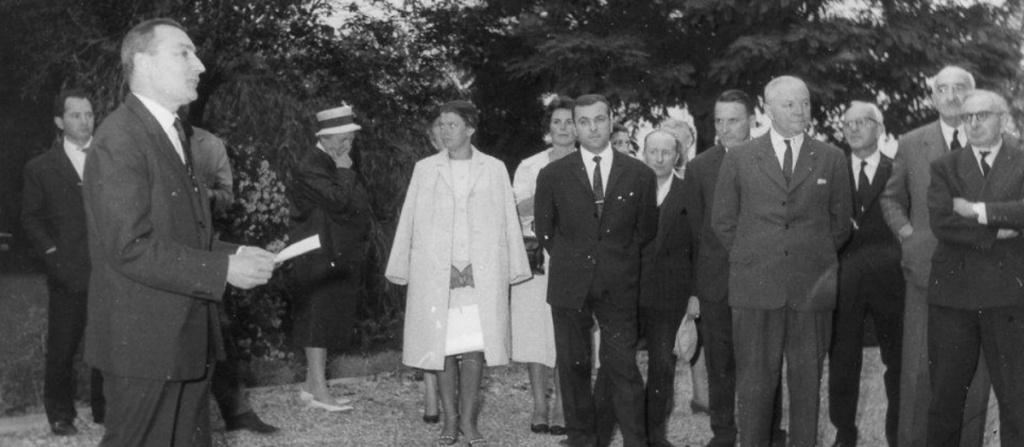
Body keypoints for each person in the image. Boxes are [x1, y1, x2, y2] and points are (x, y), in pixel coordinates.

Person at [82, 18, 275, 446]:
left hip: (183, 341)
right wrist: (222, 271)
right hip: (145, 347)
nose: (200, 65)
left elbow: (181, 236)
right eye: (183, 52)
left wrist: (239, 253)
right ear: (143, 63)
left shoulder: (173, 135)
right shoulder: (120, 138)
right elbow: (130, 247)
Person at [711, 76, 853, 447]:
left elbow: (840, 225)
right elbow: (723, 222)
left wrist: (808, 261)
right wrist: (756, 259)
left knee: (807, 389)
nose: (800, 111)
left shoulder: (831, 158)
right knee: (755, 389)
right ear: (768, 108)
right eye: (789, 104)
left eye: (805, 103)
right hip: (755, 290)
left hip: (812, 291)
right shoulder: (740, 157)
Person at [386, 100, 531, 446]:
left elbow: (508, 221)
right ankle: (449, 418)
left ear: (470, 129)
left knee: (475, 347)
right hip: (438, 271)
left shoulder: (494, 168)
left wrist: (509, 268)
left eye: (452, 125)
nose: (445, 131)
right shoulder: (425, 169)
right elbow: (410, 220)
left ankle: (468, 419)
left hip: (481, 270)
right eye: (441, 125)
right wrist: (407, 266)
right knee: (443, 345)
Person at [534, 93, 658, 447]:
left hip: (619, 283)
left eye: (599, 120)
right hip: (569, 284)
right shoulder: (554, 174)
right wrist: (575, 258)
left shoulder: (639, 174)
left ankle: (637, 441)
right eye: (584, 121)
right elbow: (545, 230)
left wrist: (613, 259)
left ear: (610, 120)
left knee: (623, 368)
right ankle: (583, 441)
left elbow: (644, 230)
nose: (592, 128)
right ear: (574, 126)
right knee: (573, 369)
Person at [880, 65, 991, 447]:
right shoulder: (912, 143)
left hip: (981, 275)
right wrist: (909, 236)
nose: (951, 95)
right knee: (918, 372)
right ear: (932, 97)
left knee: (974, 375)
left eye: (959, 88)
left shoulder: (998, 141)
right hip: (925, 272)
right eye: (942, 89)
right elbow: (892, 198)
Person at [685, 89, 788, 447]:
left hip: (763, 281)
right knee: (721, 365)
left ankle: (770, 434)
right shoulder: (699, 168)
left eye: (733, 120)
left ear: (751, 121)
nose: (725, 128)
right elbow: (696, 233)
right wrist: (695, 291)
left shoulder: (771, 160)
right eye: (719, 121)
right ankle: (724, 434)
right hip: (717, 284)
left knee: (764, 363)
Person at [925, 89, 1024, 447]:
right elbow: (942, 223)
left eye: (983, 114)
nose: (975, 123)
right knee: (946, 399)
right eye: (968, 117)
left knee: (1017, 400)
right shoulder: (944, 166)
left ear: (1003, 118)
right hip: (954, 297)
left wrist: (979, 212)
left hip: (1010, 296)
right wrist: (1000, 229)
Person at [21, 88, 104, 436]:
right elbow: (30, 219)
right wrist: (53, 255)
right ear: (59, 121)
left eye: (88, 114)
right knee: (63, 347)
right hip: (68, 272)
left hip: (110, 268)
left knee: (109, 342)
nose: (84, 121)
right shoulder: (40, 167)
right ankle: (60, 414)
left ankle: (107, 409)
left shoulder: (110, 157)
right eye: (75, 115)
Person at [185, 123, 278, 433]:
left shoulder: (209, 144)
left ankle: (236, 410)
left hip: (205, 245)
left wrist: (200, 195)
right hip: (168, 254)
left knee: (219, 330)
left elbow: (227, 195)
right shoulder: (142, 138)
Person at [829, 101, 905, 447]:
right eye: (848, 124)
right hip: (844, 283)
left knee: (898, 364)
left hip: (892, 282)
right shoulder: (833, 170)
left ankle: (897, 434)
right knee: (843, 363)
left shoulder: (899, 169)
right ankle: (844, 434)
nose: (854, 129)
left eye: (863, 122)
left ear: (879, 127)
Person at [287, 105, 372, 412]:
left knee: (325, 316)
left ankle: (311, 388)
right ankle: (321, 393)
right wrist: (346, 170)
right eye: (342, 140)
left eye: (350, 140)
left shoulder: (333, 160)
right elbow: (338, 201)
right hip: (316, 252)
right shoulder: (312, 165)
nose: (347, 147)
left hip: (335, 250)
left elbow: (354, 202)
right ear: (326, 137)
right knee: (317, 318)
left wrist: (345, 170)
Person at [510, 95, 574, 437]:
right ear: (548, 128)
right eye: (557, 122)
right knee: (535, 331)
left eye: (569, 122)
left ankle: (564, 405)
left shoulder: (589, 162)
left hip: (574, 258)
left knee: (569, 333)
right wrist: (547, 190)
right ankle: (538, 404)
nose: (563, 128)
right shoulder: (530, 165)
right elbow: (515, 209)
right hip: (537, 259)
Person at [638, 130, 694, 447]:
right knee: (615, 366)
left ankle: (654, 435)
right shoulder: (631, 189)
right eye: (653, 152)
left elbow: (699, 247)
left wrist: (694, 296)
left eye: (666, 152)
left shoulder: (689, 193)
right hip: (630, 291)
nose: (659, 158)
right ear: (644, 154)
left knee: (662, 366)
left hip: (670, 295)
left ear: (677, 156)